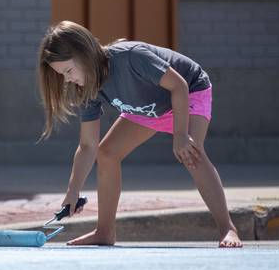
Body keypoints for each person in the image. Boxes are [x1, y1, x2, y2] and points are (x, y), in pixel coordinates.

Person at [37, 21, 242, 248]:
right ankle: (104, 232)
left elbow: (179, 86)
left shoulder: (131, 57)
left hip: (187, 93)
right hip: (147, 108)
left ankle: (228, 229)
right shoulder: (87, 88)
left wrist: (181, 135)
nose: (67, 79)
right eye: (62, 75)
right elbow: (87, 146)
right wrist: (73, 191)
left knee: (192, 153)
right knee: (107, 153)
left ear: (84, 54)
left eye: (68, 71)